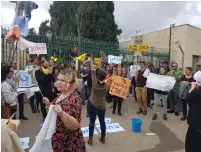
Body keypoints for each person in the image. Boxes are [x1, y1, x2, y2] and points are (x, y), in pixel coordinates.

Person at [42, 68, 86, 152]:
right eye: (58, 79)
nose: (58, 82)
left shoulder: (74, 99)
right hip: (59, 139)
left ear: (71, 83)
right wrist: (49, 104)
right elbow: (57, 109)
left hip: (69, 143)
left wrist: (62, 114)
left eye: (62, 80)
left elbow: (75, 125)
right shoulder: (62, 93)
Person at [88, 55, 107, 146]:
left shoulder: (94, 81)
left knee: (92, 121)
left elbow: (92, 70)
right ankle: (103, 137)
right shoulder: (106, 85)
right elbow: (98, 73)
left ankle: (90, 139)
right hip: (102, 106)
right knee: (102, 121)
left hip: (93, 104)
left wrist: (91, 60)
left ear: (97, 76)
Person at [185, 71, 201, 152]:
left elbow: (187, 99)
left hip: (196, 127)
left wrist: (192, 87)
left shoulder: (196, 92)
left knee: (192, 146)